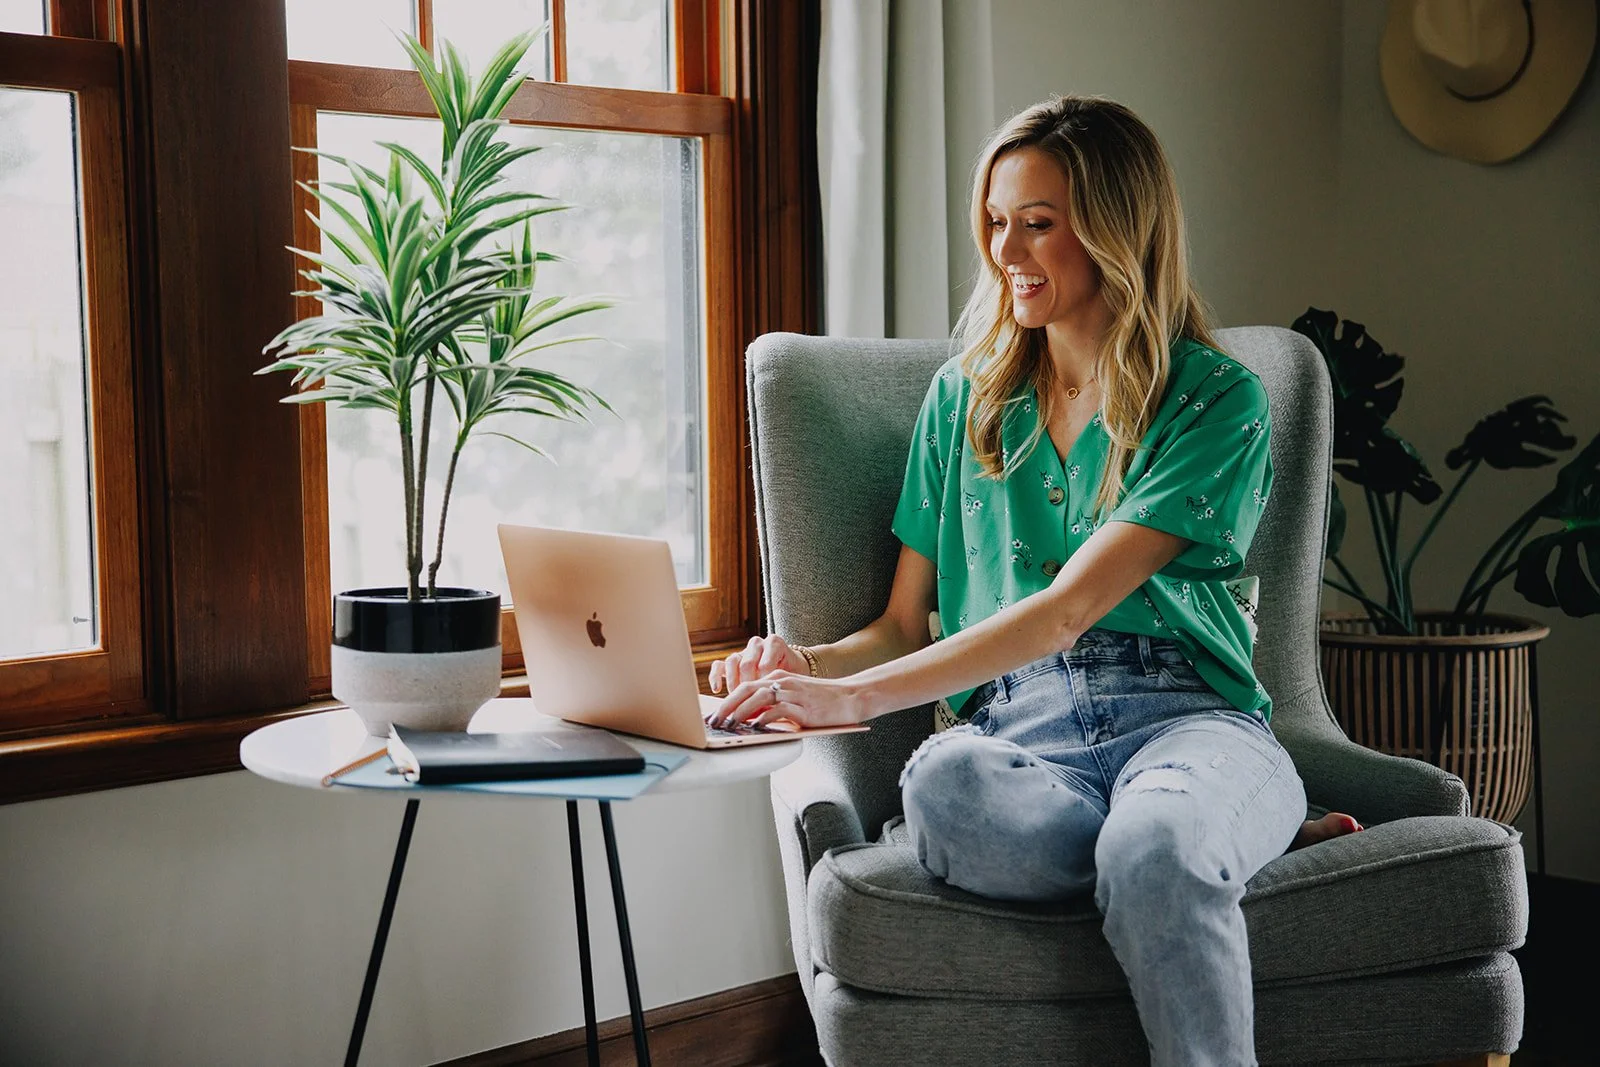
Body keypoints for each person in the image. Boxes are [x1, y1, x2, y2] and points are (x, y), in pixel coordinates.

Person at [709, 96, 1360, 1066]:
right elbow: (901, 624)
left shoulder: (1216, 399)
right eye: (996, 221)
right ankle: (1207, 840)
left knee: (1154, 845)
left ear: (1115, 231)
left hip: (1184, 715)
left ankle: (1182, 834)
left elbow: (1067, 611)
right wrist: (798, 665)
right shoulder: (962, 400)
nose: (1005, 249)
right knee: (944, 784)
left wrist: (851, 698)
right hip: (1016, 733)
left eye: (1038, 223)